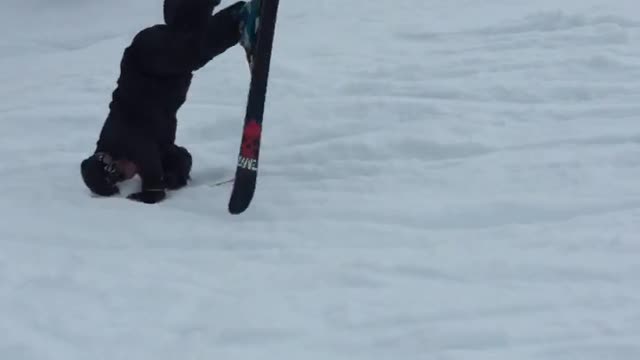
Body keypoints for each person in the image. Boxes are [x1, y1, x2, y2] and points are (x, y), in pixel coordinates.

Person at [80, 0, 259, 204]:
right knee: (189, 25)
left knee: (187, 50)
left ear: (108, 159)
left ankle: (239, 19)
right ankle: (242, 19)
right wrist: (173, 175)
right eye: (121, 178)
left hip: (145, 59)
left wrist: (153, 188)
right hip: (167, 73)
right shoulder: (153, 150)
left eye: (117, 172)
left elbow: (141, 147)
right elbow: (181, 158)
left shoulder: (116, 137)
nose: (127, 175)